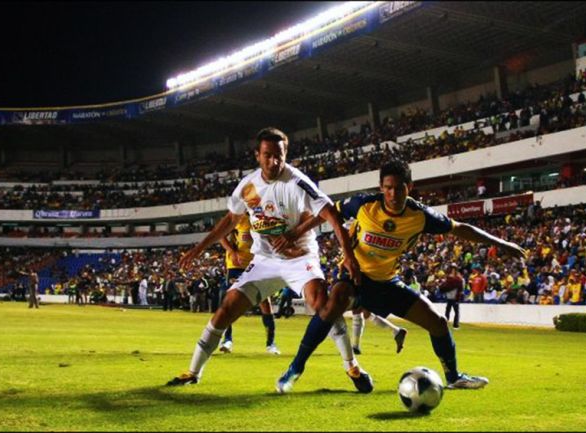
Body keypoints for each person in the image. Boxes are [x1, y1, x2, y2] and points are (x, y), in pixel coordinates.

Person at [280, 160, 527, 390]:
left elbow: (460, 228)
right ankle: (296, 367)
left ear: (409, 188)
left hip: (388, 282)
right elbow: (329, 214)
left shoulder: (419, 216)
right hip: (355, 276)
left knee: (438, 323)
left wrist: (504, 245)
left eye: (399, 189)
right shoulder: (364, 205)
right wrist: (297, 231)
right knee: (333, 302)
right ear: (381, 187)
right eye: (388, 188)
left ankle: (453, 377)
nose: (393, 195)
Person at [166, 127, 371, 394]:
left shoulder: (296, 182)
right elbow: (231, 220)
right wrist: (198, 248)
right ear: (257, 155)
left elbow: (331, 214)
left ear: (286, 155)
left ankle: (352, 365)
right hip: (263, 261)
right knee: (226, 308)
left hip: (300, 258)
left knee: (322, 304)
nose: (273, 162)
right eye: (267, 155)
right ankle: (193, 372)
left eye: (279, 156)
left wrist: (349, 257)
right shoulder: (250, 187)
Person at [218, 216, 280, 355]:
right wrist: (232, 251)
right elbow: (221, 235)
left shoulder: (263, 219)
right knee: (231, 302)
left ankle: (271, 344)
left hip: (258, 265)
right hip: (237, 265)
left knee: (265, 303)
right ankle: (227, 340)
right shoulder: (238, 218)